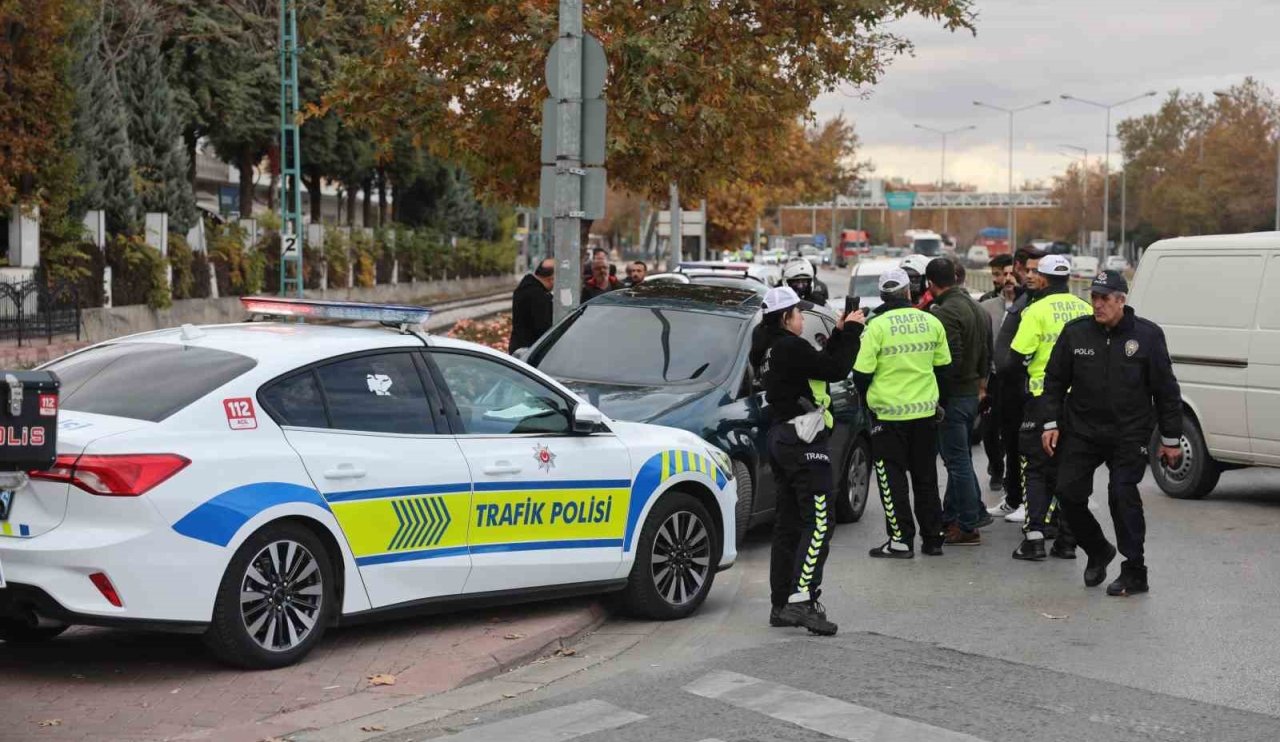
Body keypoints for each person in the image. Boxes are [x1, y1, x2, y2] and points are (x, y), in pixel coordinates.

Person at [1041, 270, 1183, 596]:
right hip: (1082, 429)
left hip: (1129, 432)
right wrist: (1050, 423)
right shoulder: (1076, 333)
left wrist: (1171, 439)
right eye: (1094, 297)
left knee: (1122, 496)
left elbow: (1166, 391)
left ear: (1122, 300)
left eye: (1105, 298)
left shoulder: (1147, 336)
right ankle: (1097, 549)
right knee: (1066, 491)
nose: (1098, 304)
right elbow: (1054, 381)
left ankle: (1135, 571)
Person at [753, 285, 864, 635]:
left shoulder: (768, 348)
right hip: (803, 438)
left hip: (782, 436)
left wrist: (839, 333)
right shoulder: (789, 345)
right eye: (799, 314)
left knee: (788, 523)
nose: (802, 318)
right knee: (819, 521)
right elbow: (834, 369)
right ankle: (802, 601)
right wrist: (854, 334)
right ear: (787, 318)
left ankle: (782, 603)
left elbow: (815, 366)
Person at [853, 268, 951, 559]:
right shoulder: (931, 322)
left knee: (891, 480)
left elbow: (861, 374)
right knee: (926, 479)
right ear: (910, 292)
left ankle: (900, 541)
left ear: (882, 295)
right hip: (924, 415)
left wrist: (869, 401)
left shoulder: (876, 328)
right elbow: (944, 368)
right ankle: (933, 539)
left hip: (887, 417)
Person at [1006, 254, 1092, 561]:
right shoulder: (1085, 308)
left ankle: (1034, 538)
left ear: (1043, 279)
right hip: (1081, 402)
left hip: (1043, 399)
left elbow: (1015, 357)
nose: (1031, 279)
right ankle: (1068, 541)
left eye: (1035, 275)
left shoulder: (1036, 310)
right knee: (1071, 469)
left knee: (1036, 468)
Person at [926, 257, 991, 546]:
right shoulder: (977, 308)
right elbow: (987, 353)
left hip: (953, 396)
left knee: (957, 462)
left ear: (930, 284)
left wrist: (938, 397)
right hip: (972, 393)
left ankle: (968, 525)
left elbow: (949, 360)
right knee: (960, 458)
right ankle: (953, 517)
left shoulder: (945, 312)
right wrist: (981, 385)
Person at [987, 247, 1044, 521]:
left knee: (1026, 445)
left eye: (1038, 270)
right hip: (1006, 385)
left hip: (1026, 385)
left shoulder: (1034, 300)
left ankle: (1027, 501)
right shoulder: (1020, 297)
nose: (1034, 275)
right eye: (1031, 269)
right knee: (1009, 441)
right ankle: (1012, 497)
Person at [979, 254, 1017, 492]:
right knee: (989, 429)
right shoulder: (985, 304)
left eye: (1005, 273)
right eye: (996, 275)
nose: (1002, 279)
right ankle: (996, 467)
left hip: (1016, 378)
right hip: (991, 377)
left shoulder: (1027, 304)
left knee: (1012, 429)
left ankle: (1012, 476)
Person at [508, 258, 555, 354]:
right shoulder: (539, 296)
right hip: (530, 351)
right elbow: (543, 327)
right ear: (551, 278)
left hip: (519, 348)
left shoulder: (525, 288)